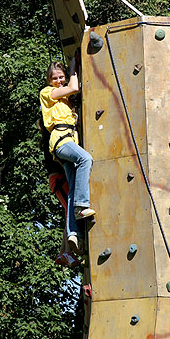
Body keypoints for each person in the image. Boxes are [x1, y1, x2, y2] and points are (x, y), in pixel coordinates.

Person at [39, 58, 95, 254]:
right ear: (49, 80)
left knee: (71, 188)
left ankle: (73, 233)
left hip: (69, 139)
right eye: (54, 78)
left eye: (61, 77)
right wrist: (72, 70)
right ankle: (81, 206)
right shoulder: (47, 93)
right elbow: (74, 86)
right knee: (85, 159)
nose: (58, 81)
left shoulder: (64, 100)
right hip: (61, 139)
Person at [36, 118, 80, 268]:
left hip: (57, 179)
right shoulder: (52, 140)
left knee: (69, 212)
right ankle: (66, 251)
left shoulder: (48, 139)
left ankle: (64, 253)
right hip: (59, 178)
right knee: (70, 211)